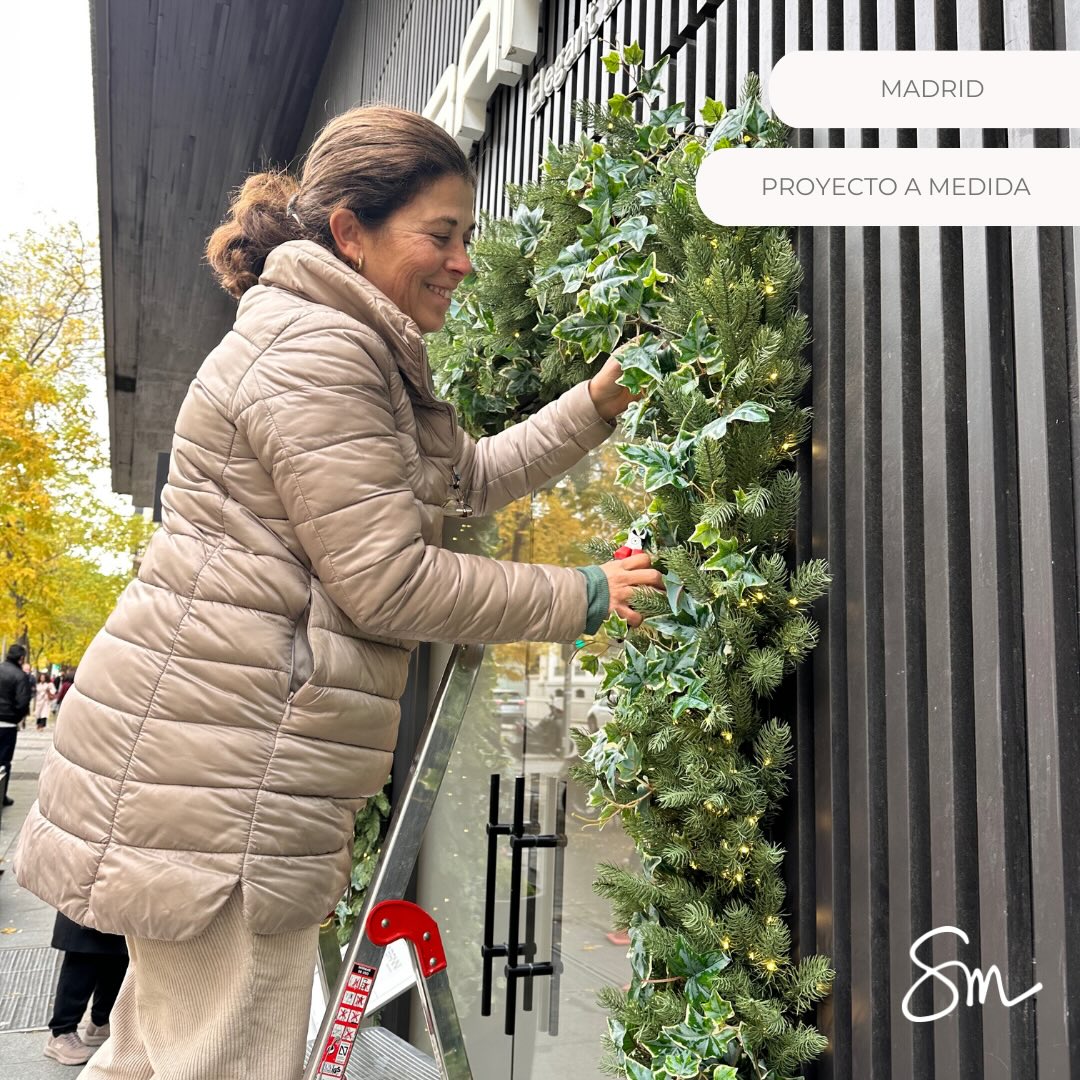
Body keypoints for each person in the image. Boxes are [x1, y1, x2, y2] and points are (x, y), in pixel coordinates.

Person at [13, 105, 660, 1078]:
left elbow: (463, 481)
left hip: (213, 778)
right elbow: (389, 581)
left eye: (466, 238)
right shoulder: (321, 352)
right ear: (351, 232)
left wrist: (594, 406)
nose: (461, 261)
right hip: (227, 794)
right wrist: (585, 595)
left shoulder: (336, 344)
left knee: (150, 1056)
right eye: (440, 235)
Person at [43, 913, 129, 1066]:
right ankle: (61, 1033)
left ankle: (101, 1023)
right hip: (86, 897)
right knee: (84, 954)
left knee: (118, 955)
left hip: (118, 897)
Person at [0, 644, 32, 807]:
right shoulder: (20, 676)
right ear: (21, 658)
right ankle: (1, 794)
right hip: (7, 724)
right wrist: (17, 717)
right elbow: (23, 701)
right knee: (3, 761)